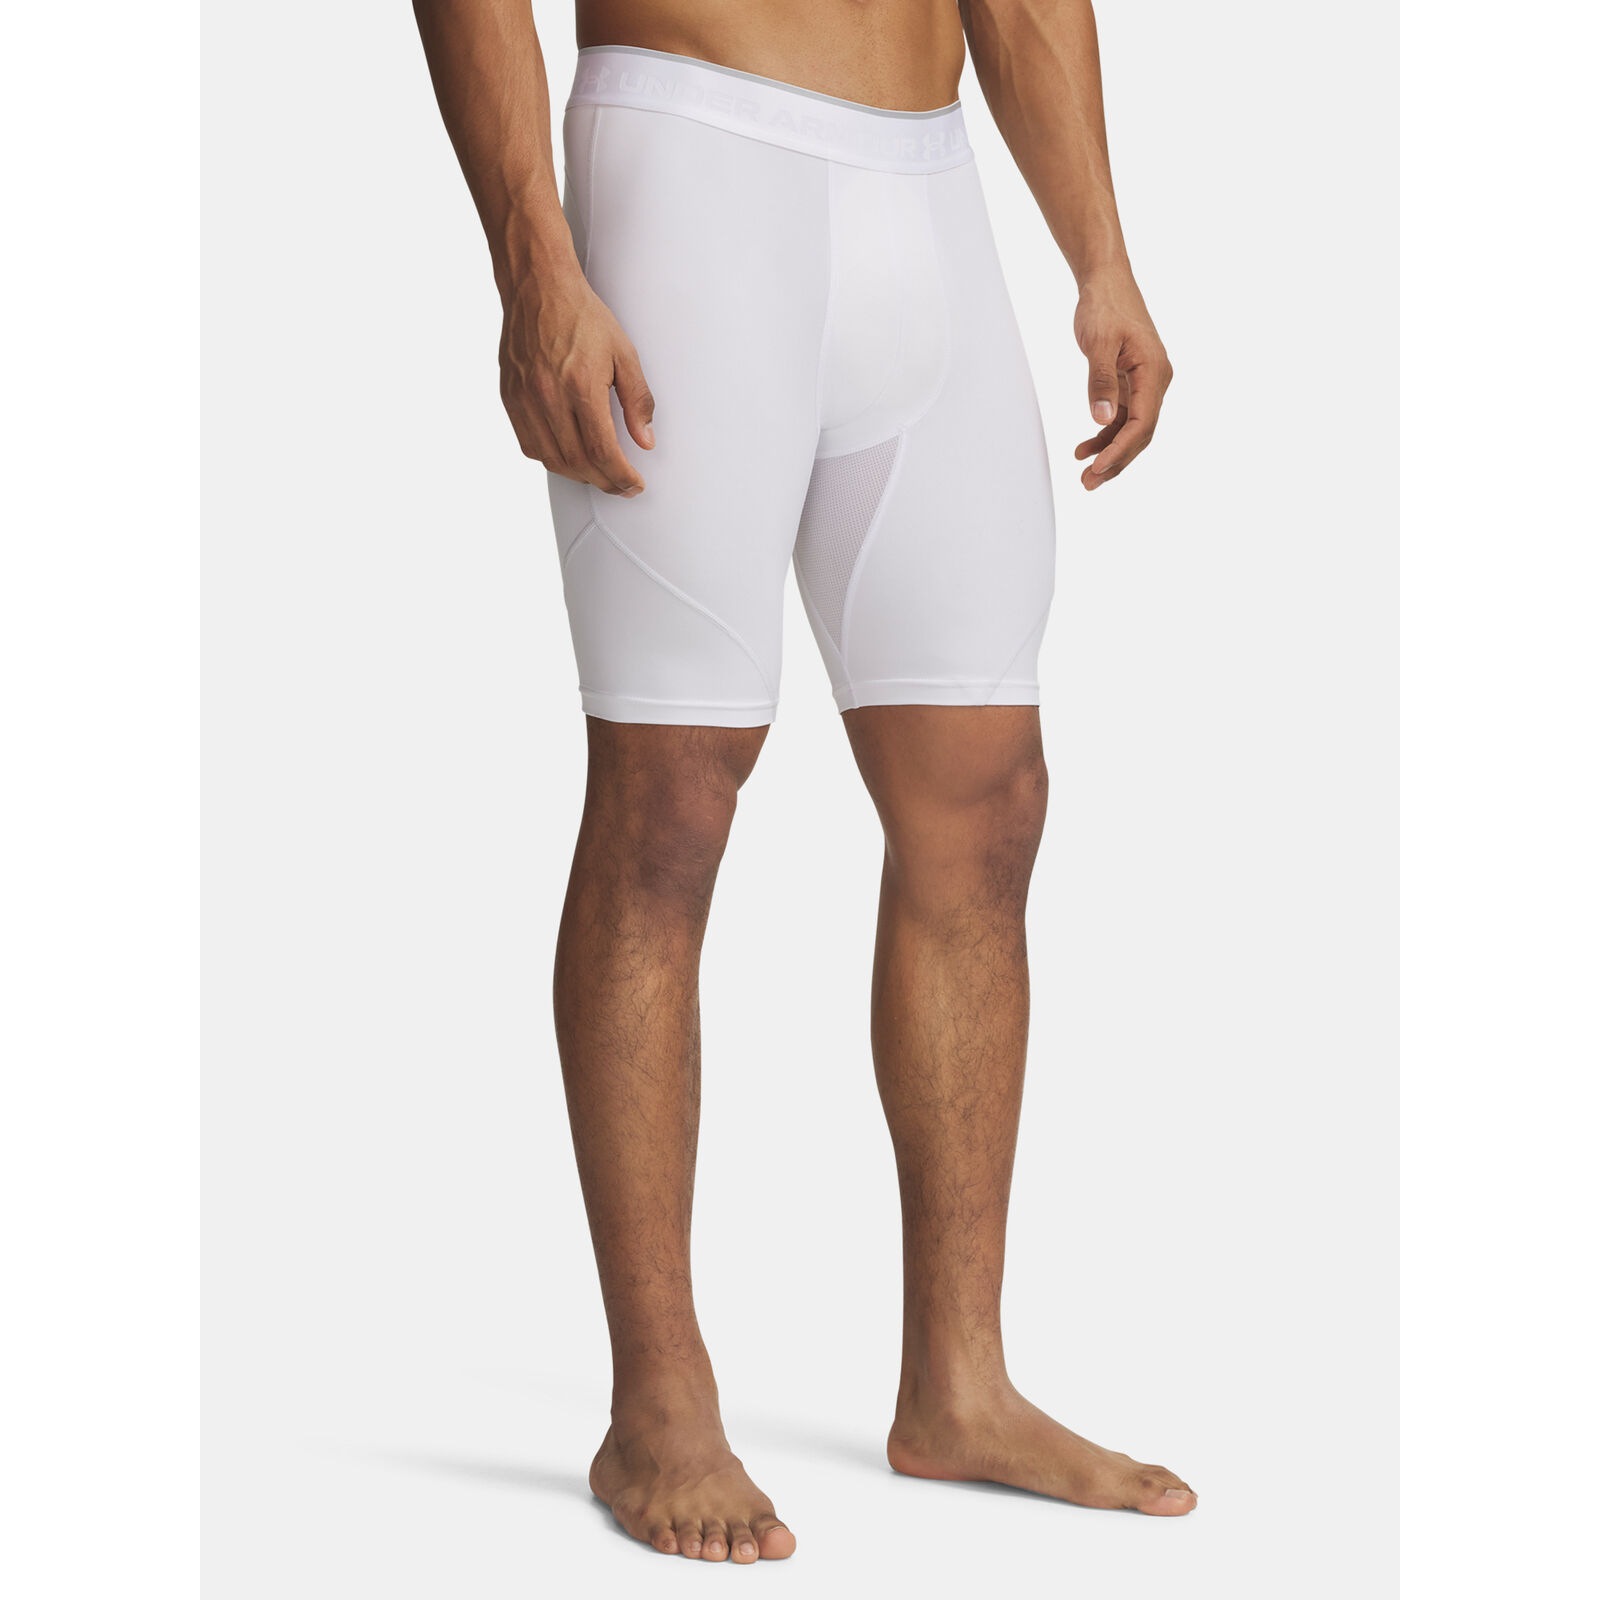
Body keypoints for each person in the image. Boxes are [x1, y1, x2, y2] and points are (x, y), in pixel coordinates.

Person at [413, 0, 1186, 1562]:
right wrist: (533, 261)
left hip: (928, 191)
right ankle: (658, 1403)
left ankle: (960, 1384)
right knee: (670, 804)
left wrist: (1100, 249)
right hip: (693, 166)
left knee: (986, 799)